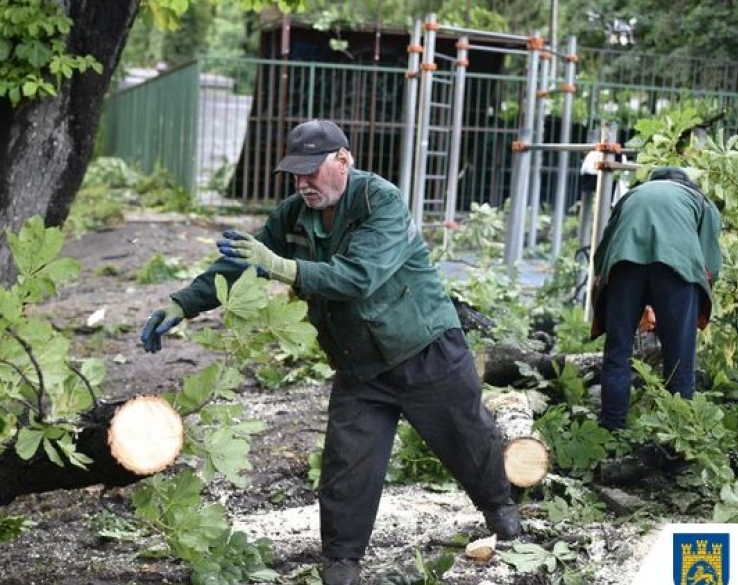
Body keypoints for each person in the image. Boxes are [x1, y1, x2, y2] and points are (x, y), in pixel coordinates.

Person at [140, 120, 520, 585]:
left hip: (425, 350)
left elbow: (357, 278)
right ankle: (341, 564)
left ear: (343, 161)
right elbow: (241, 262)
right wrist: (183, 302)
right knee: (346, 469)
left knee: (468, 441)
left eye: (311, 172)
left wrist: (277, 266)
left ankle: (504, 519)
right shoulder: (292, 214)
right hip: (360, 366)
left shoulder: (379, 201)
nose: (303, 184)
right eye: (295, 174)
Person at [589, 167, 723, 430]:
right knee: (679, 359)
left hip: (624, 265)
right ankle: (677, 437)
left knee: (617, 353)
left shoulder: (633, 195)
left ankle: (611, 431)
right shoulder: (700, 201)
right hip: (677, 269)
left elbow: (603, 251)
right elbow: (709, 264)